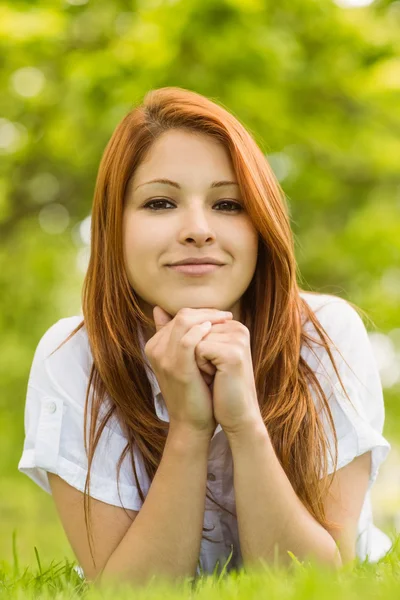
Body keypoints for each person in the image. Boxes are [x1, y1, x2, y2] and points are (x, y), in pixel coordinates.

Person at [18, 87, 392, 589]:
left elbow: (318, 583)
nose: (198, 229)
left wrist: (242, 423)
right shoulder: (73, 357)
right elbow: (129, 591)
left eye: (228, 204)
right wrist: (190, 428)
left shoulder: (323, 334)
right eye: (160, 202)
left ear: (261, 225)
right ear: (114, 227)